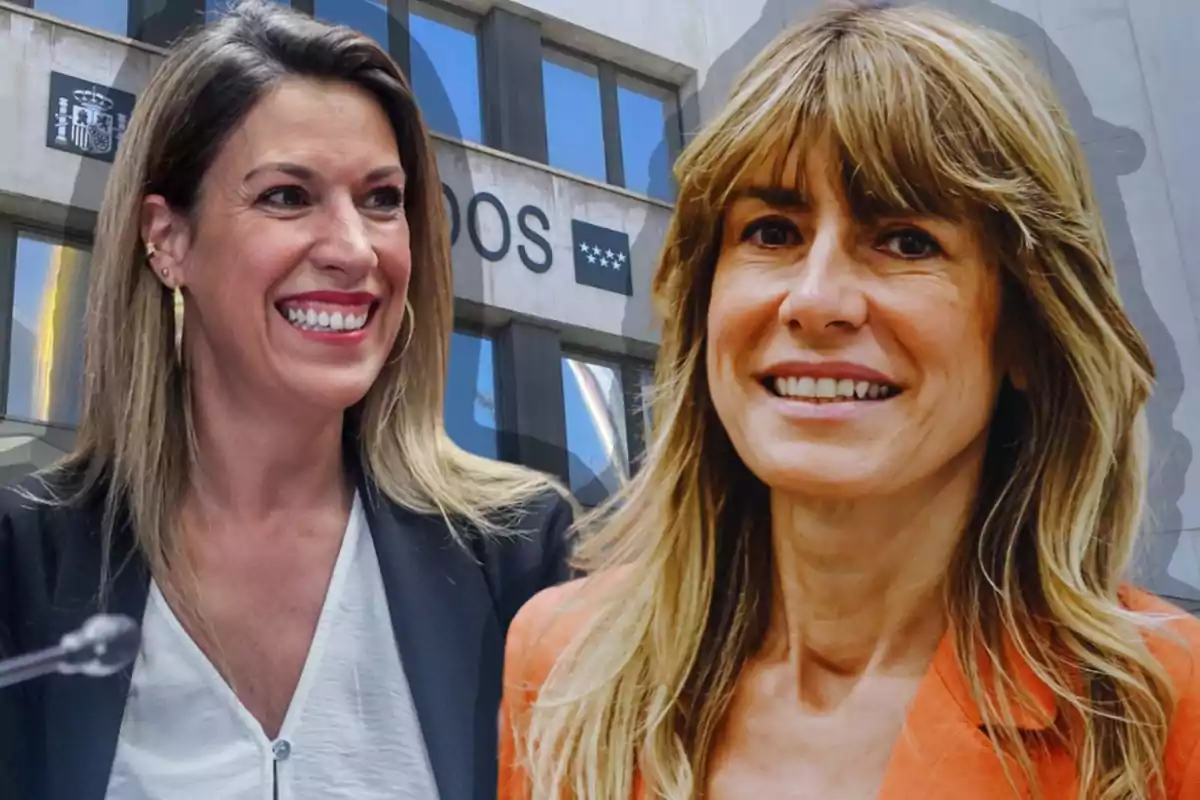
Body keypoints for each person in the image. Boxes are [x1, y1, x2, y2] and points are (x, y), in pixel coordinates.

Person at [499, 4, 1200, 799]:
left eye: (906, 241)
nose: (816, 298)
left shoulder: (1164, 707)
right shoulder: (563, 664)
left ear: (1027, 334)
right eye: (771, 232)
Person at [0, 2, 575, 799]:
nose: (353, 248)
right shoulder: (23, 564)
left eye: (381, 199)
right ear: (167, 240)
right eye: (285, 197)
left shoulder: (518, 555)